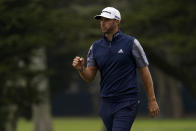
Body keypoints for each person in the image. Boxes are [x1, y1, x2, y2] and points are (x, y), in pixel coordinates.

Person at [72, 7, 159, 131]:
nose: (102, 22)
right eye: (101, 20)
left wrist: (152, 100)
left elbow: (144, 72)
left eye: (106, 20)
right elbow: (89, 77)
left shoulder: (131, 43)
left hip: (127, 101)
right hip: (106, 102)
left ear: (117, 21)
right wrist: (81, 69)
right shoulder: (95, 47)